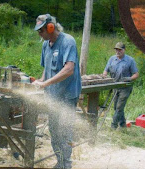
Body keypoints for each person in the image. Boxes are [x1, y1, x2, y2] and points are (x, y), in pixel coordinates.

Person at [32, 14, 81, 169]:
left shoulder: (68, 41)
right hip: (53, 95)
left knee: (65, 130)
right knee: (54, 129)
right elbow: (46, 70)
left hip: (67, 95)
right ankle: (60, 161)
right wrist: (40, 82)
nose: (39, 34)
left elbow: (68, 69)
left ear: (50, 27)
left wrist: (45, 83)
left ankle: (66, 165)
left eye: (41, 31)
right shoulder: (46, 45)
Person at [103, 42, 139, 129]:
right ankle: (123, 124)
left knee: (119, 107)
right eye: (116, 49)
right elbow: (105, 70)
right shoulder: (112, 59)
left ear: (124, 50)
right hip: (115, 86)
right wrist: (104, 76)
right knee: (116, 107)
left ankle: (113, 126)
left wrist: (129, 79)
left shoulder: (130, 60)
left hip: (125, 87)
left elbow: (136, 74)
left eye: (120, 50)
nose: (118, 51)